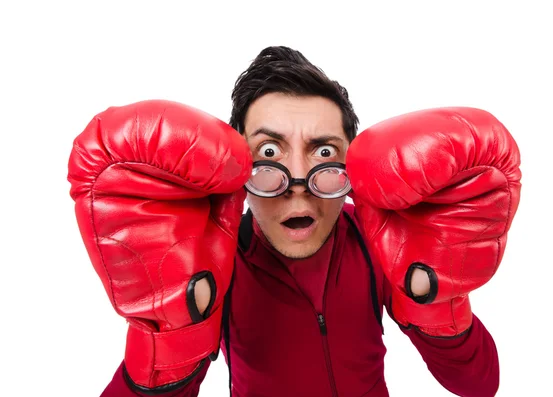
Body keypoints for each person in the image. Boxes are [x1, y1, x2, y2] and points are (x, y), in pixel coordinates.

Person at [67, 46, 521, 397]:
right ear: (233, 166)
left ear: (353, 166)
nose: (297, 181)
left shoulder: (378, 238)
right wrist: (172, 329)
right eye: (269, 152)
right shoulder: (215, 256)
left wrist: (436, 296)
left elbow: (478, 385)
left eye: (324, 152)